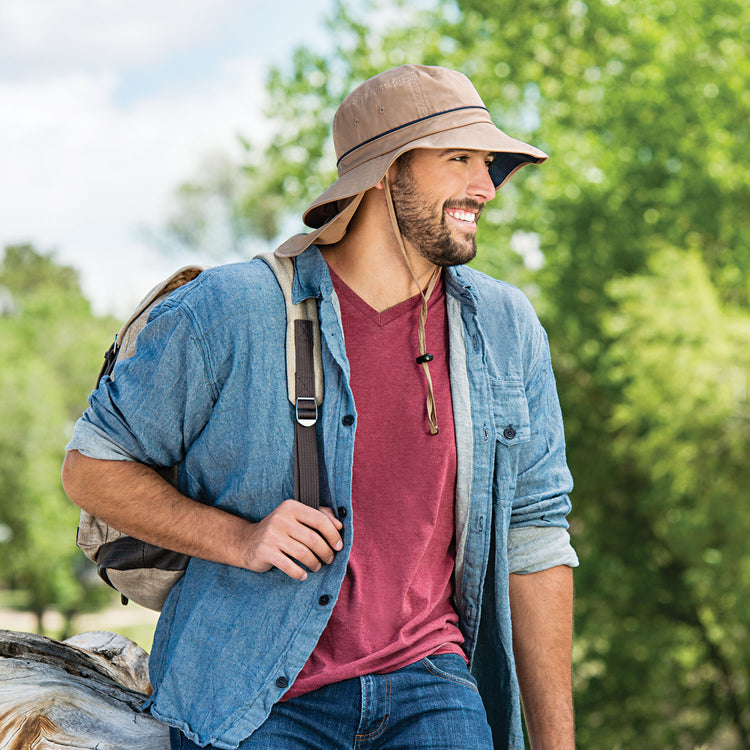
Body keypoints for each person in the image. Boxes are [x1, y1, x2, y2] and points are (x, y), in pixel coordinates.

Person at [62, 64, 578, 750]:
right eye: (458, 159)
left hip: (431, 681)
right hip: (249, 697)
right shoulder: (229, 312)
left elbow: (535, 538)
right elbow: (90, 468)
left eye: (488, 164)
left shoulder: (505, 328)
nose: (484, 187)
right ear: (384, 173)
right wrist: (239, 539)